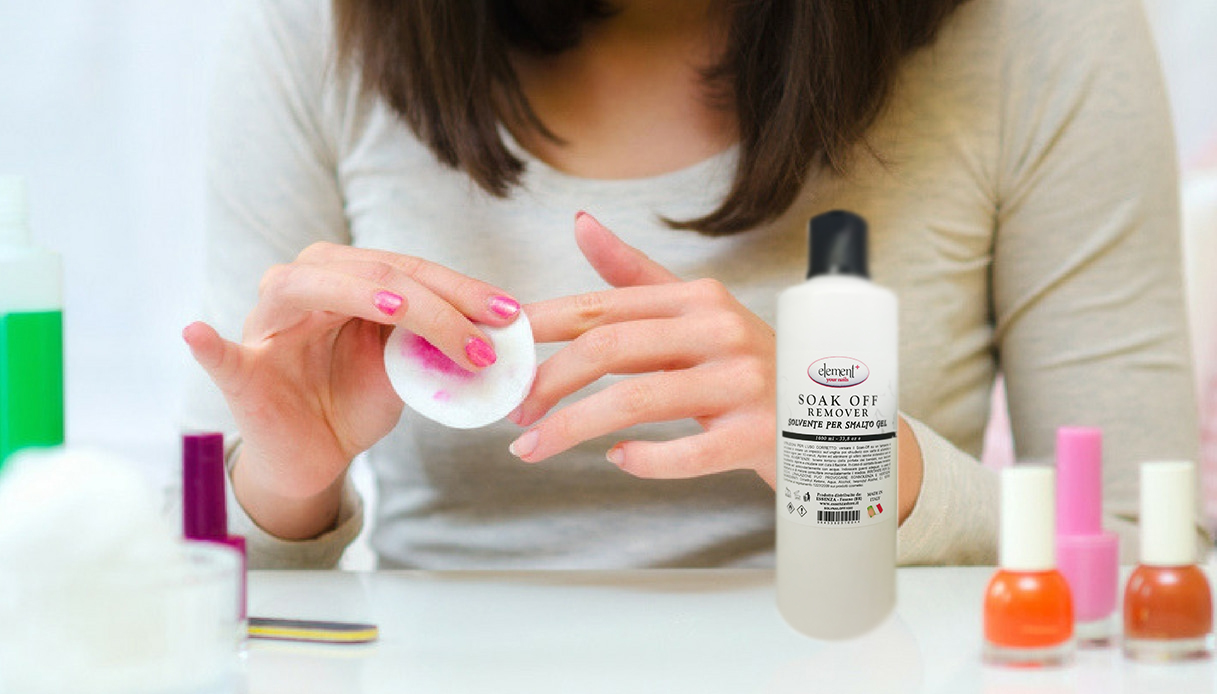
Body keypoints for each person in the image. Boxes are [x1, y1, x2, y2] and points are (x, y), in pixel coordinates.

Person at [183, 0, 1200, 569]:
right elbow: (187, 533)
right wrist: (278, 486)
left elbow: (1148, 550)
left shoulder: (1044, 28)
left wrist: (848, 455)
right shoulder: (307, 27)